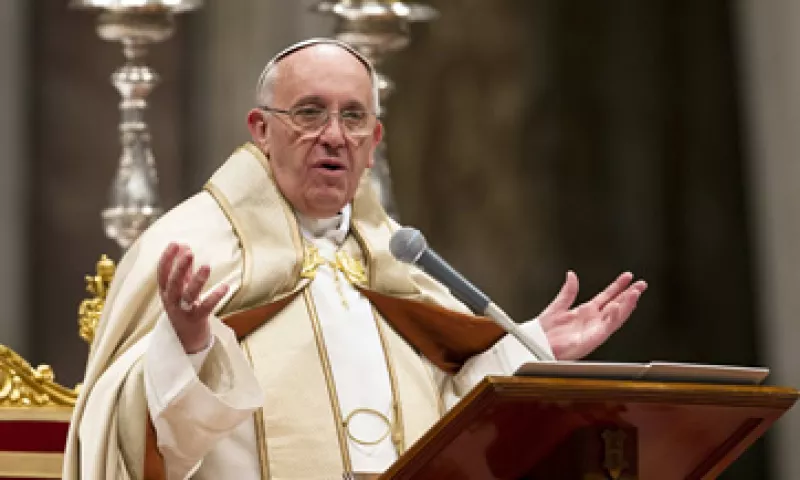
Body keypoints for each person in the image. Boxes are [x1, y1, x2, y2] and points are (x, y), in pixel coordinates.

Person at [63, 38, 647, 480]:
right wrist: (187, 349)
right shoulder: (191, 248)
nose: (334, 136)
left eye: (353, 117)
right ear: (261, 129)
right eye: (310, 113)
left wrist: (529, 348)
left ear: (375, 141)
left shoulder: (397, 259)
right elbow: (141, 441)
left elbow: (449, 421)